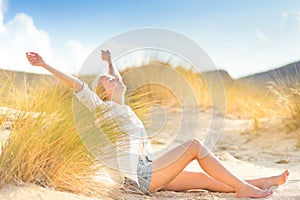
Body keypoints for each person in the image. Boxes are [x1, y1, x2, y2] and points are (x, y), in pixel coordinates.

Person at [26, 51, 289, 198]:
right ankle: (244, 188)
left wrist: (109, 62)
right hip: (140, 176)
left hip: (150, 171)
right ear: (102, 92)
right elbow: (79, 85)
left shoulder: (122, 107)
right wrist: (45, 64)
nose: (114, 79)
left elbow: (120, 80)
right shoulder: (101, 109)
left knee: (202, 179)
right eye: (107, 80)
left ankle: (257, 182)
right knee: (195, 146)